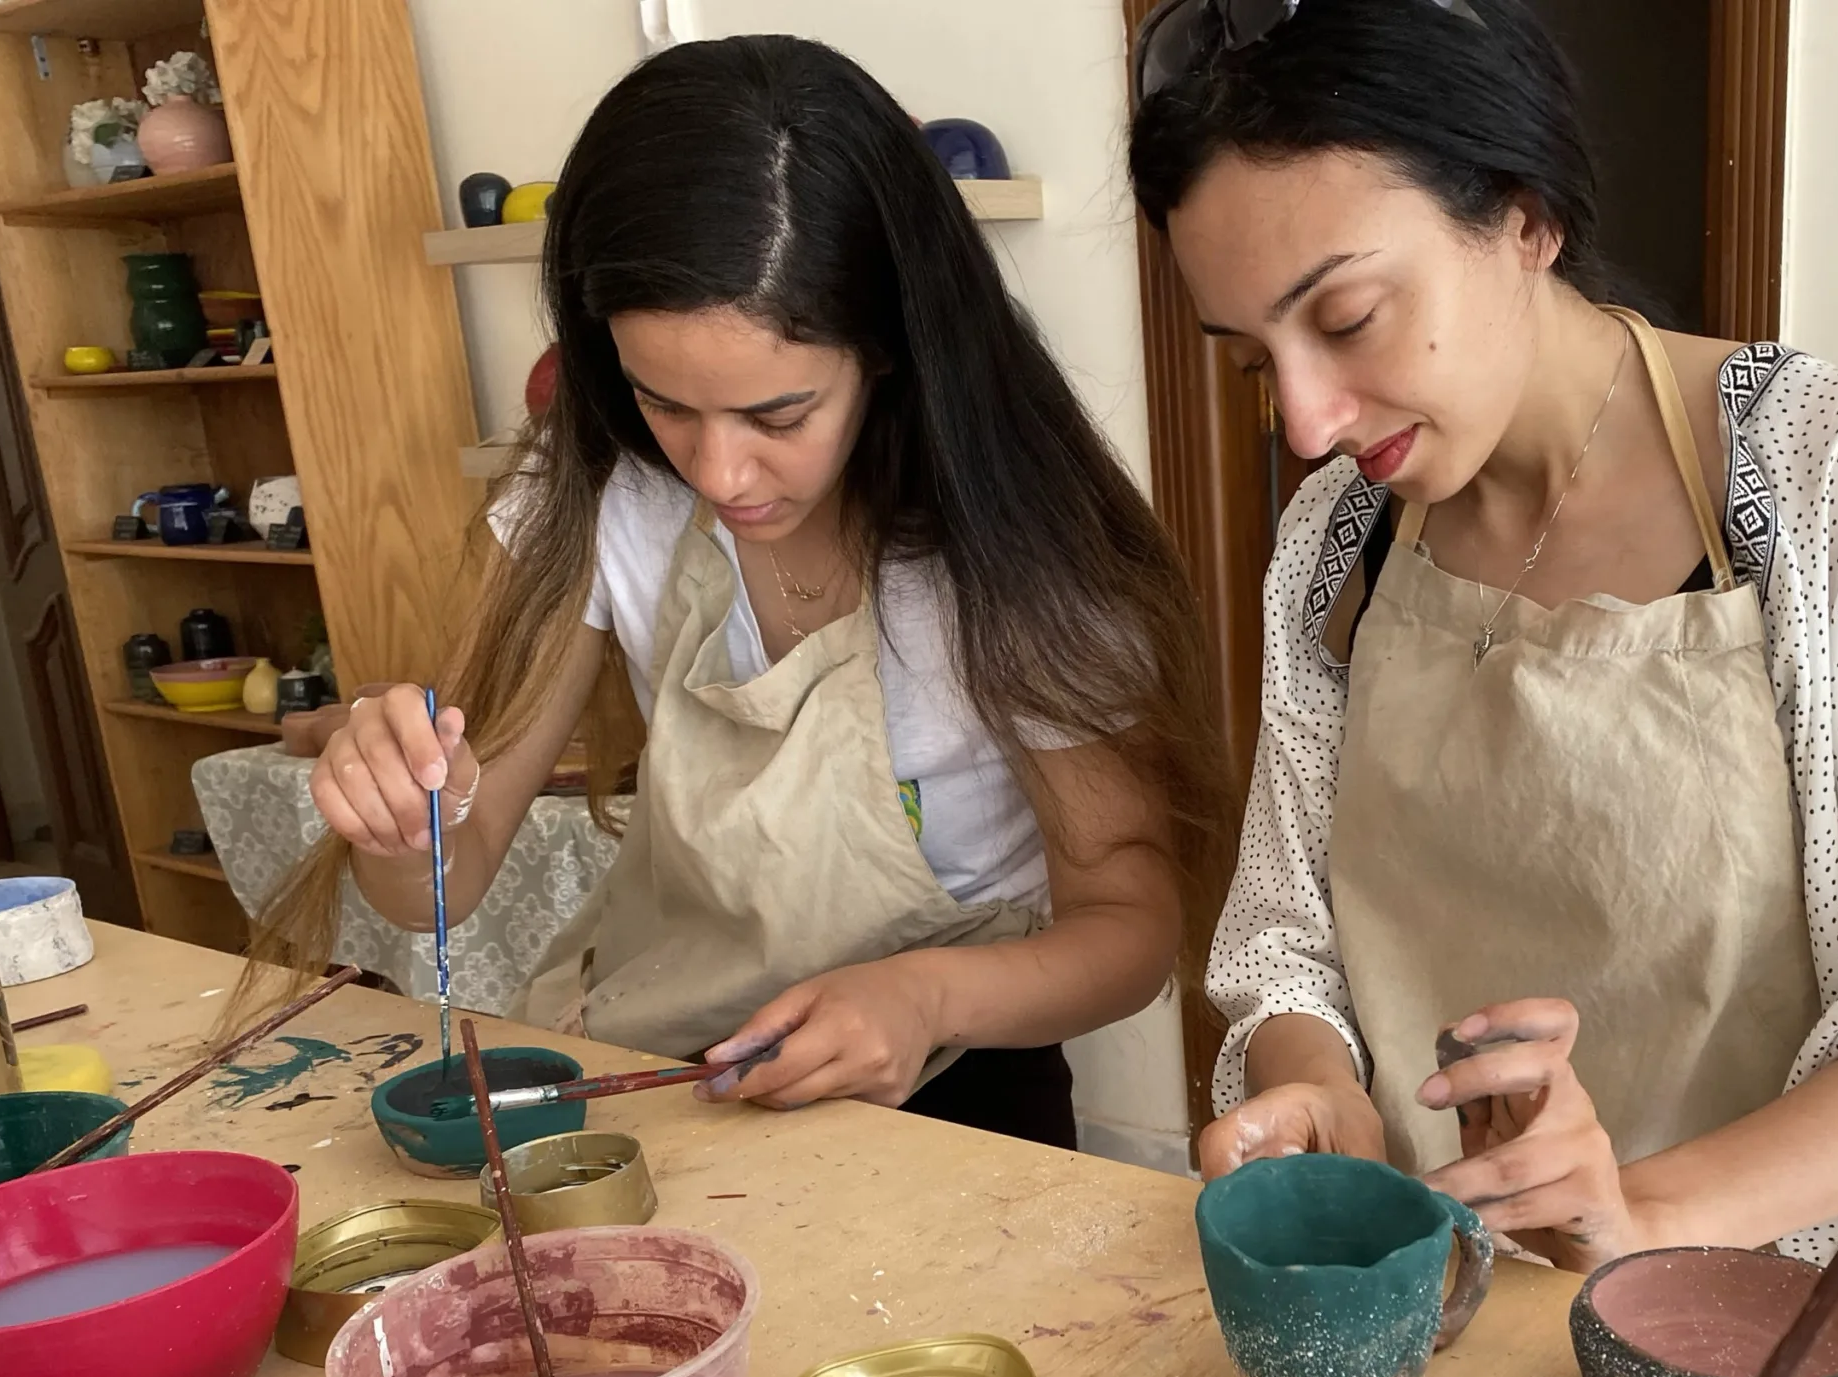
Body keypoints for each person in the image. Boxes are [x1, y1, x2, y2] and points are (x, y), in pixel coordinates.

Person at [1129, 0, 1838, 1353]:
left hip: (1745, 1329)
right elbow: (1284, 936)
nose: (1306, 421)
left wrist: (1631, 1210)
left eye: (1347, 317)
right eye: (1247, 361)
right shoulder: (1337, 539)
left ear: (1524, 218)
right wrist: (1318, 1086)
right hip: (1420, 1299)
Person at [255, 36, 1229, 1149]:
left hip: (953, 1077)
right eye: (664, 403)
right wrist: (400, 821)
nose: (719, 476)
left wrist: (923, 997)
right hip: (662, 1065)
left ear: (890, 352)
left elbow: (1129, 930)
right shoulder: (601, 494)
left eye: (779, 415)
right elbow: (444, 885)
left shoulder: (1018, 551)